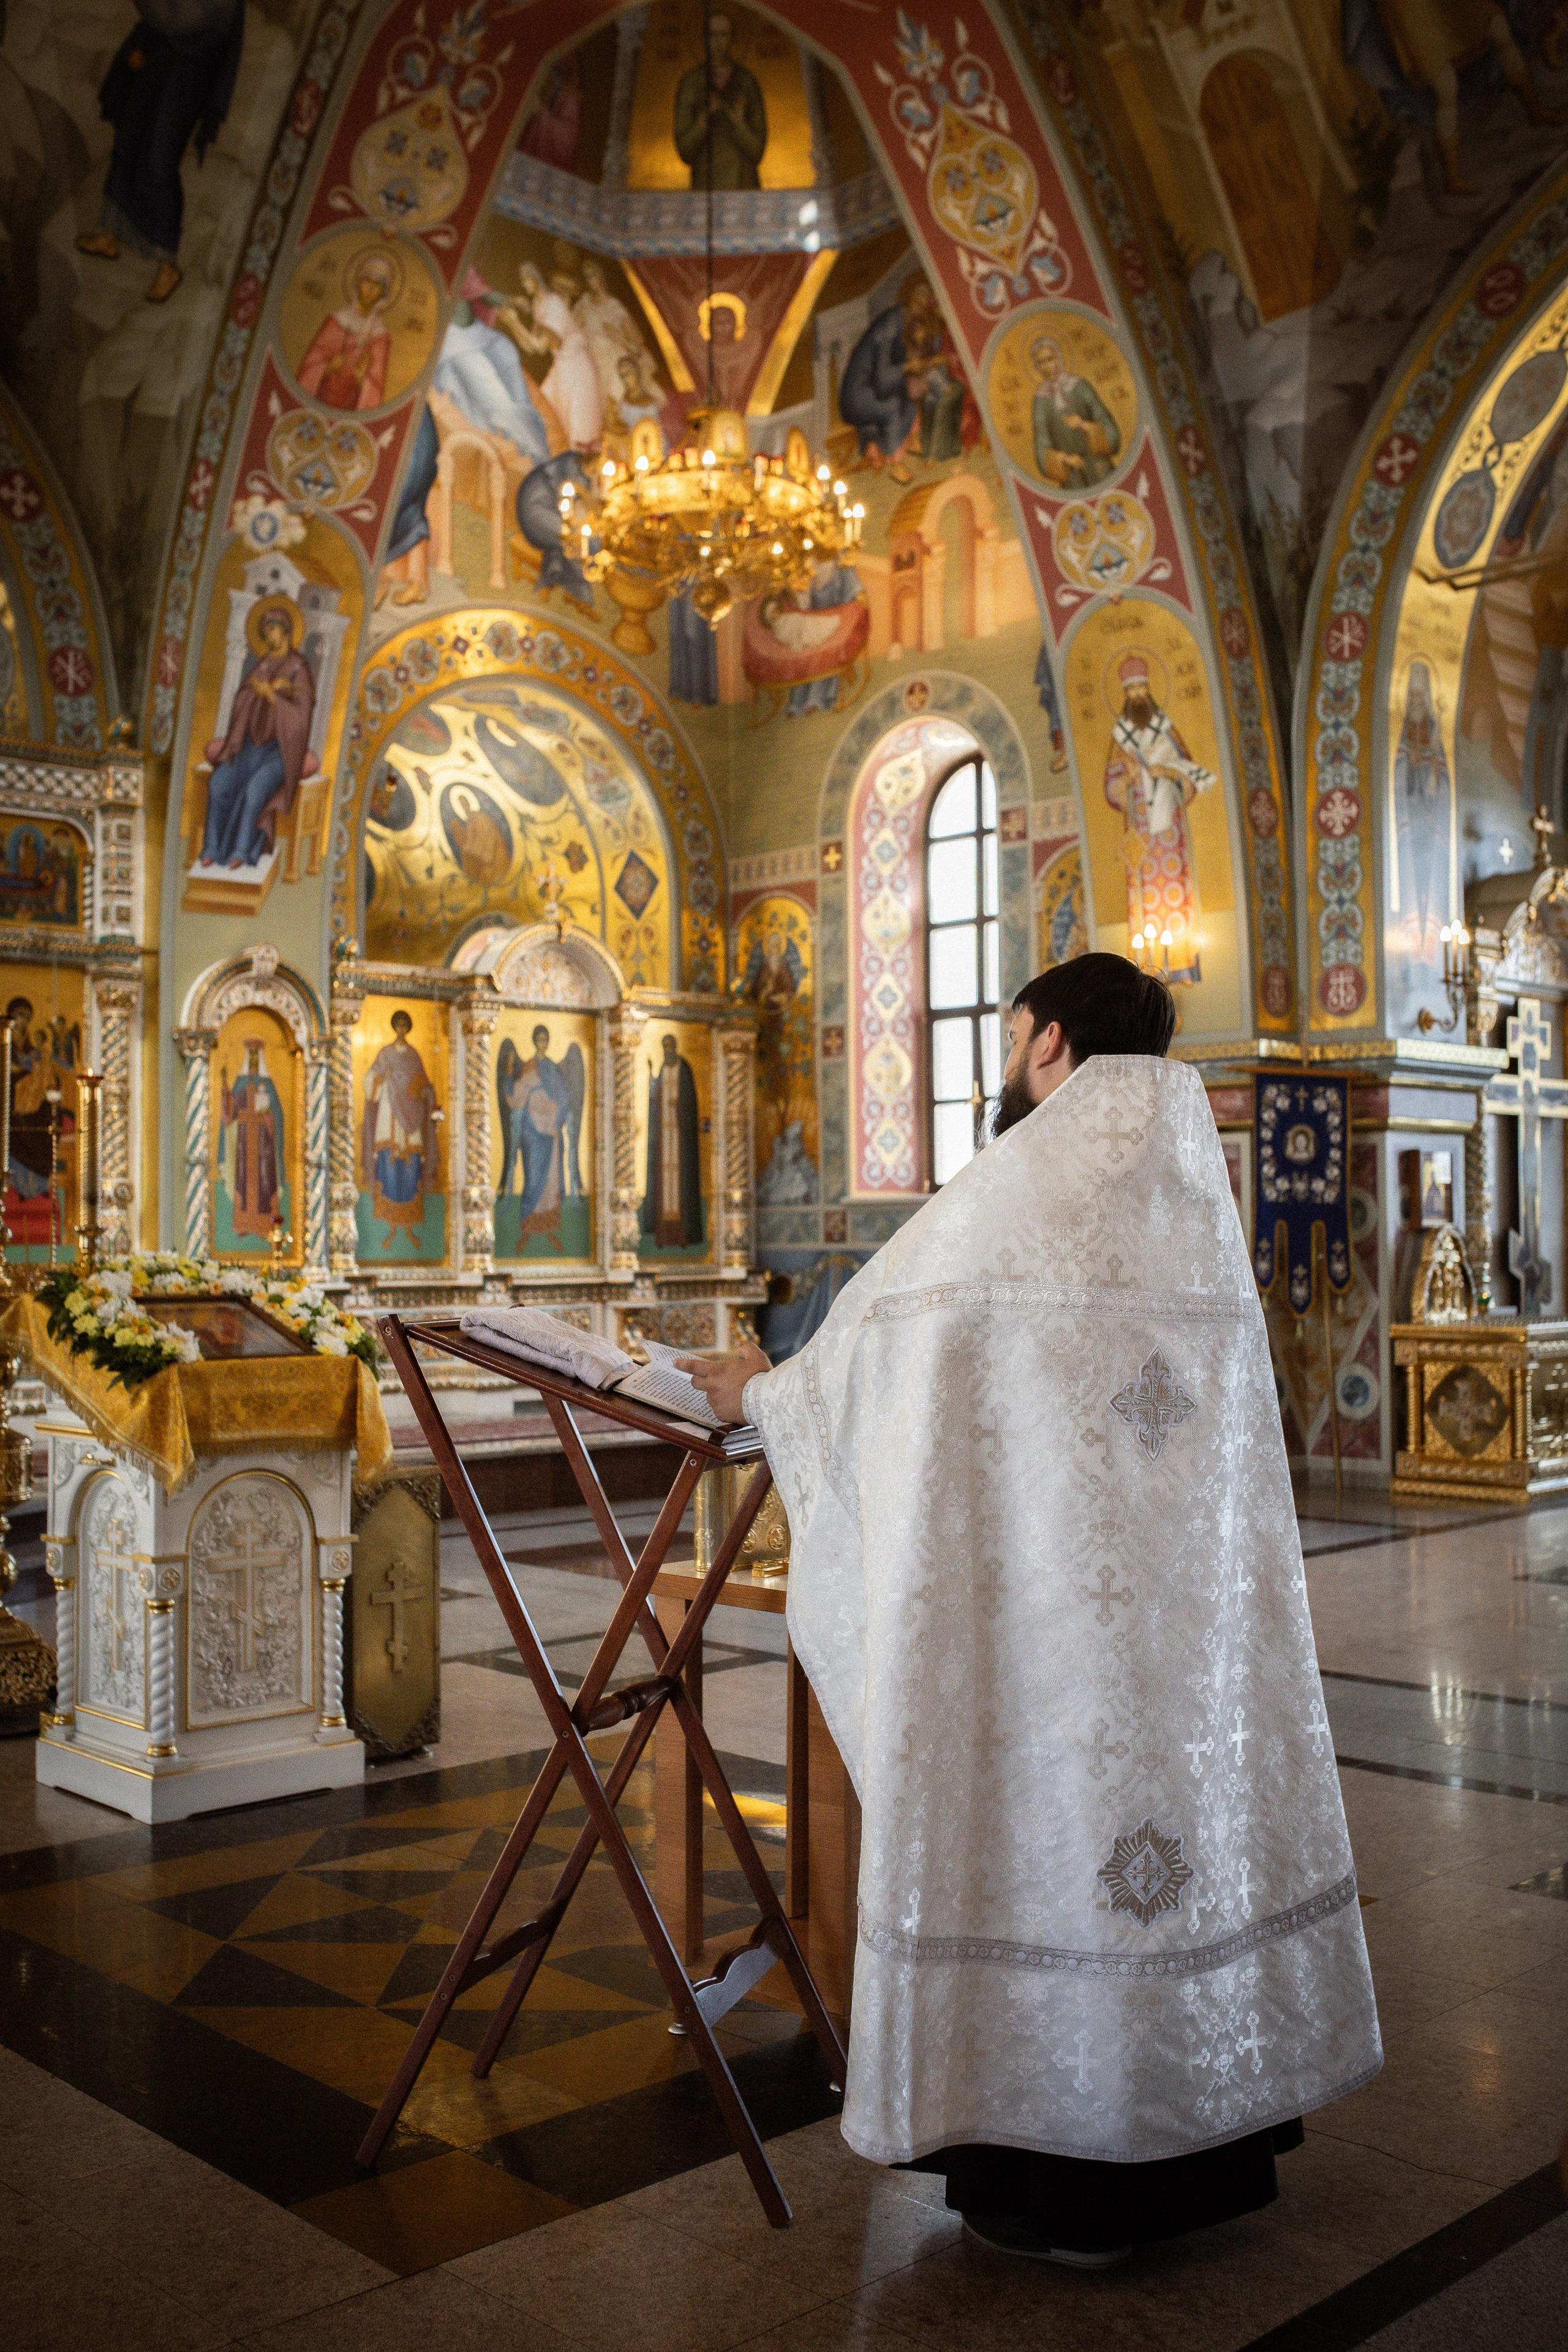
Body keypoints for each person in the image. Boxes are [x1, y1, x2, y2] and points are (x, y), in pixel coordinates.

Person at [679, 953, 1381, 2267]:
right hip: (1175, 1641)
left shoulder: (1013, 1186)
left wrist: (761, 1395)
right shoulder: (1190, 1189)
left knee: (1049, 1847)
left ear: (1048, 1041)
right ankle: (1196, 2145)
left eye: (1010, 1039)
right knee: (1167, 1852)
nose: (1009, 1064)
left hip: (1041, 1644)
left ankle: (1054, 2169)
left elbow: (884, 1357)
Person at [75, 0, 243, 304]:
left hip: (189, 75)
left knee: (159, 161)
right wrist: (143, 43)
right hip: (161, 58)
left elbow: (180, 18)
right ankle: (111, 234)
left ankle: (167, 263)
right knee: (128, 142)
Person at [1103, 650, 1216, 986]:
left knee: (1174, 890)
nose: (1137, 696)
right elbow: (1111, 786)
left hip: (1170, 827)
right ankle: (1146, 968)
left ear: (1149, 691)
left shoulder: (1166, 728)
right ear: (1125, 696)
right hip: (1138, 826)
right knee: (1144, 896)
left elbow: (1190, 772)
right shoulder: (1120, 736)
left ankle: (1181, 964)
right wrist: (1127, 779)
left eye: (1141, 689)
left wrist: (1164, 770)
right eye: (1131, 691)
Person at [198, 600, 316, 872]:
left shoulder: (299, 668)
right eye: (264, 633)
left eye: (272, 630)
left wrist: (273, 697)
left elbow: (301, 718)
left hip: (280, 752)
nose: (268, 637)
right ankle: (211, 849)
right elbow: (241, 700)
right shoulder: (262, 665)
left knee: (254, 792)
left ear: (285, 631)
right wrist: (257, 692)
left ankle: (242, 851)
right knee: (218, 784)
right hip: (247, 748)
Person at [360, 1009, 440, 1247]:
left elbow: (424, 1084)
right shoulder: (385, 1054)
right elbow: (369, 1084)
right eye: (399, 1025)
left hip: (412, 1120)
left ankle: (409, 1221)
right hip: (388, 1115)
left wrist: (425, 1092)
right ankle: (389, 1220)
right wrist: (382, 1078)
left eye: (406, 1025)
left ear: (409, 1027)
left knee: (411, 1166)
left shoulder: (414, 1056)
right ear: (395, 1027)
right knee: (388, 1164)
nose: (402, 1029)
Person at [674, 10, 767, 192]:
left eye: (723, 35)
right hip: (705, 186)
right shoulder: (691, 83)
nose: (717, 42)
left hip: (743, 185)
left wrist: (740, 125)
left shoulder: (747, 81)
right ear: (704, 39)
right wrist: (702, 123)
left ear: (732, 39)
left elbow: (758, 151)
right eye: (712, 35)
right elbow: (684, 150)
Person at [296, 250, 397, 410]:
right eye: (367, 281)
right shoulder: (335, 321)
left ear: (384, 292)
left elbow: (376, 387)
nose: (370, 289)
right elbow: (308, 368)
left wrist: (362, 379)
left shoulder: (380, 336)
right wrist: (328, 369)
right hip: (317, 404)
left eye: (377, 284)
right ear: (358, 284)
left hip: (350, 413)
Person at [1031, 336, 1121, 489]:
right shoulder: (1040, 401)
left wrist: (1084, 425)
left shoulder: (1080, 386)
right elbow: (1041, 443)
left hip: (1100, 468)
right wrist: (1064, 459)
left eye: (1050, 359)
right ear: (1037, 367)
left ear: (1059, 358)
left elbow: (1110, 429)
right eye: (1041, 363)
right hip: (1072, 478)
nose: (1048, 366)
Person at [641, 1033, 703, 1248]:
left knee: (680, 1184)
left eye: (670, 1046)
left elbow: (691, 1102)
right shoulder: (664, 1070)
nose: (667, 1051)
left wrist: (681, 1104)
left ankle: (683, 1235)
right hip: (664, 1138)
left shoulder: (683, 1070)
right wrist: (651, 1077)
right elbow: (655, 1096)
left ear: (675, 1047)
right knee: (663, 1182)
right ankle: (663, 1235)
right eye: (664, 1047)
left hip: (680, 1138)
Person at [219, 1039, 283, 1242]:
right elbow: (231, 1115)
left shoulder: (268, 1085)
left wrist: (269, 1119)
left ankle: (266, 1225)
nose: (254, 1062)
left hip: (264, 1144)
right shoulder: (241, 1085)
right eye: (251, 1057)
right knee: (245, 1181)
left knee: (265, 1180)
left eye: (258, 1057)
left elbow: (278, 1118)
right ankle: (245, 1223)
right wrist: (226, 1097)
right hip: (245, 1142)